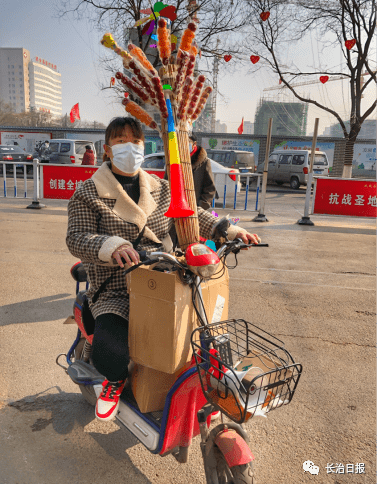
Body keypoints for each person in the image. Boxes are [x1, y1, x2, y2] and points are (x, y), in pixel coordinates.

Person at [66, 116, 260, 423]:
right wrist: (112, 246)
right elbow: (77, 238)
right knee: (111, 346)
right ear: (106, 150)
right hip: (117, 289)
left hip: (168, 281)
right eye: (120, 142)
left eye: (135, 142)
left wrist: (228, 230)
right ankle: (114, 383)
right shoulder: (88, 193)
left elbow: (192, 216)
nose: (129, 148)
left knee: (200, 335)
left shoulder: (162, 188)